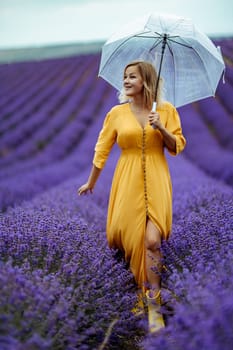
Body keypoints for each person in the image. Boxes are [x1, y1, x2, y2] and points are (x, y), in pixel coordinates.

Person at [78, 60, 186, 332]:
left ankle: (153, 306)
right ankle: (138, 289)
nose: (125, 81)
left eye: (132, 77)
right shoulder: (116, 113)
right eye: (124, 77)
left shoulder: (166, 111)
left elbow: (177, 147)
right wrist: (91, 182)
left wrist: (160, 127)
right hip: (127, 181)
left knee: (152, 240)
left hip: (158, 179)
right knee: (130, 240)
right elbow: (101, 150)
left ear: (145, 81)